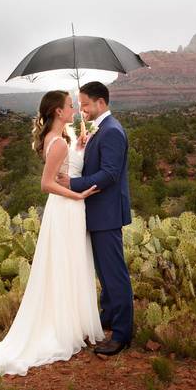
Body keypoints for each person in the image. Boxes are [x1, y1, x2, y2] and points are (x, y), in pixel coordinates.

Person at [0, 90, 103, 376]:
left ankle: (69, 324)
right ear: (59, 112)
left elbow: (67, 166)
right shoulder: (59, 143)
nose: (74, 110)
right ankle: (63, 328)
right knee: (66, 264)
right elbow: (46, 184)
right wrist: (77, 195)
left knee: (65, 265)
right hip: (66, 208)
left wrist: (82, 145)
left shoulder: (59, 140)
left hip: (65, 209)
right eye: (70, 106)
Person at [56, 80, 134, 355]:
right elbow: (96, 163)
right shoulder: (99, 129)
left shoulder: (112, 131)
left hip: (107, 213)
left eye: (85, 105)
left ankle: (123, 334)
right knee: (104, 271)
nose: (82, 110)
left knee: (114, 273)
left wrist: (72, 184)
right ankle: (109, 317)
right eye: (78, 105)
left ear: (101, 103)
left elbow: (109, 175)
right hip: (98, 212)